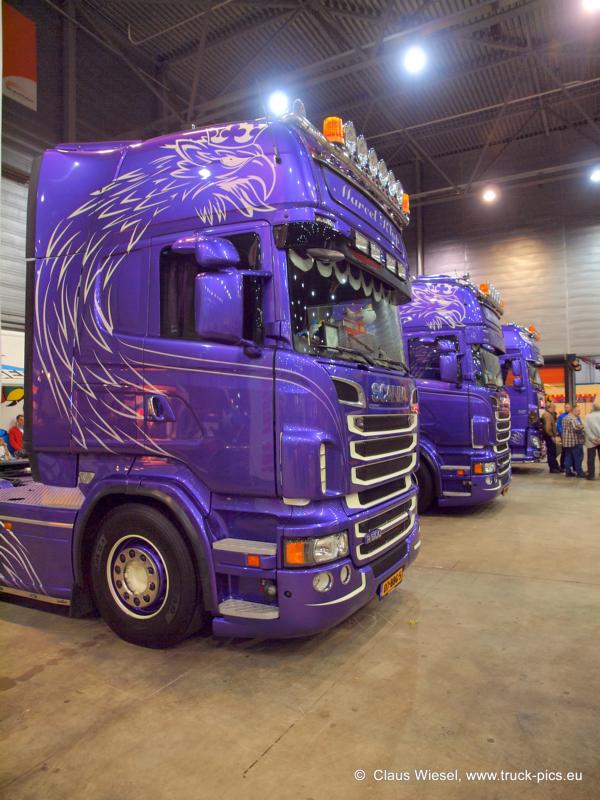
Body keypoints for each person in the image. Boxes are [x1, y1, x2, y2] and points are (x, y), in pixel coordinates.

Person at [562, 406, 586, 478]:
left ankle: (568, 472)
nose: (579, 412)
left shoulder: (565, 417)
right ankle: (580, 473)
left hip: (567, 442)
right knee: (578, 458)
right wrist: (583, 426)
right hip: (575, 441)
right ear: (574, 411)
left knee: (568, 457)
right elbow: (576, 428)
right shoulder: (572, 418)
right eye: (578, 411)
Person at [541, 402, 561, 473]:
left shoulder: (548, 414)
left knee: (552, 452)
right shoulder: (548, 415)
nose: (555, 409)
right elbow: (548, 427)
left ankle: (555, 466)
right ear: (551, 408)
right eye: (554, 407)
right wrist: (551, 436)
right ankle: (553, 468)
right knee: (551, 452)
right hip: (549, 436)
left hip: (548, 435)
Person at [584, 398, 600, 480]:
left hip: (591, 442)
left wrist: (593, 438)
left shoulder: (588, 416)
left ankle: (591, 475)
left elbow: (586, 429)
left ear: (592, 408)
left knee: (591, 458)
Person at [556, 403, 572, 471]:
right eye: (565, 407)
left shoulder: (574, 415)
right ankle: (562, 465)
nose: (566, 408)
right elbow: (558, 425)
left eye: (567, 407)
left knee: (572, 452)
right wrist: (561, 433)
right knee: (564, 451)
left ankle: (571, 466)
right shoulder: (561, 416)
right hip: (564, 436)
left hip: (572, 437)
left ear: (570, 408)